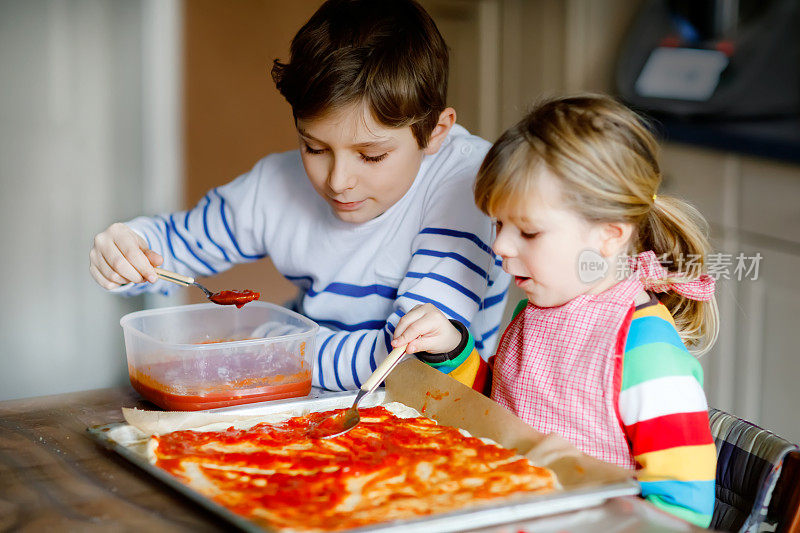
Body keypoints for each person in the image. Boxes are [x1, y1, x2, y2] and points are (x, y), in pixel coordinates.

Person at [88, 0, 509, 392]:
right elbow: (171, 249)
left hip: (430, 418)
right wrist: (129, 250)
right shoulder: (276, 183)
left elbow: (405, 362)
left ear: (436, 131)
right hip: (306, 405)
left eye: (372, 155)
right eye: (314, 148)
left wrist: (274, 344)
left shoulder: (469, 183)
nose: (339, 180)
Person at [392, 95, 718, 527]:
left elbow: (684, 510)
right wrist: (451, 347)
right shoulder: (535, 309)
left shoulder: (648, 354)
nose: (501, 247)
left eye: (527, 231)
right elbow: (501, 410)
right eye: (498, 224)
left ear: (609, 236)